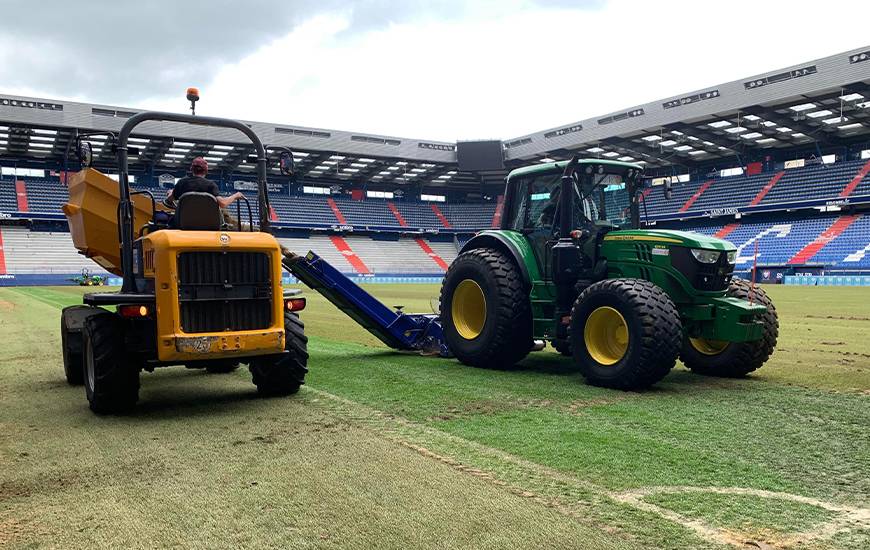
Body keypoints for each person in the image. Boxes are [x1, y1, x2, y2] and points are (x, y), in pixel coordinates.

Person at [167, 157, 243, 209]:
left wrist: (171, 193)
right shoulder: (210, 185)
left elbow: (170, 199)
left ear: (191, 169)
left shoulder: (182, 183)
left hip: (183, 223)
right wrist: (236, 196)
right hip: (207, 224)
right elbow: (223, 203)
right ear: (206, 171)